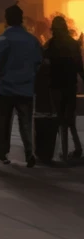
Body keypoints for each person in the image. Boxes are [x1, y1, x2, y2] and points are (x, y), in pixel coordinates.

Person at [0, 4, 43, 167]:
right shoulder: (32, 40)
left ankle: (2, 152)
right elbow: (38, 62)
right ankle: (29, 153)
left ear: (7, 19)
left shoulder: (3, 40)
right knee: (26, 123)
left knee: (4, 121)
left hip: (6, 88)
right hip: (26, 88)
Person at [43, 16, 84, 161]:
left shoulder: (50, 45)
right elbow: (79, 66)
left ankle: (65, 153)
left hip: (56, 86)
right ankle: (77, 147)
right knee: (70, 119)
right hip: (70, 85)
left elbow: (44, 65)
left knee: (60, 119)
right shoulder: (73, 44)